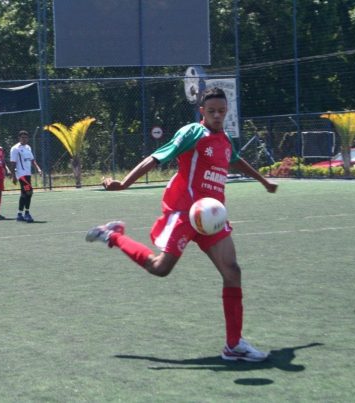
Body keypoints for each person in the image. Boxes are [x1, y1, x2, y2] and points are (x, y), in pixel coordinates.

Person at [85, 87, 278, 362]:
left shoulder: (223, 139)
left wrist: (264, 181)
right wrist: (124, 183)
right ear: (202, 111)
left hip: (212, 217)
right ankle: (113, 235)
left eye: (221, 111)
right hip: (186, 213)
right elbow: (157, 157)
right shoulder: (192, 133)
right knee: (160, 268)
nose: (217, 115)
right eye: (211, 111)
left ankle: (234, 345)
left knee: (233, 272)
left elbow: (235, 161)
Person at [10, 130, 41, 223]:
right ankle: (27, 213)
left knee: (24, 194)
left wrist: (38, 169)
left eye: (25, 137)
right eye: (22, 137)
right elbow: (13, 163)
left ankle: (19, 214)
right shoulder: (15, 148)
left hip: (28, 174)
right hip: (21, 175)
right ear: (19, 138)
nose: (24, 139)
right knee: (29, 191)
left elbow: (32, 160)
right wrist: (14, 176)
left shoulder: (28, 147)